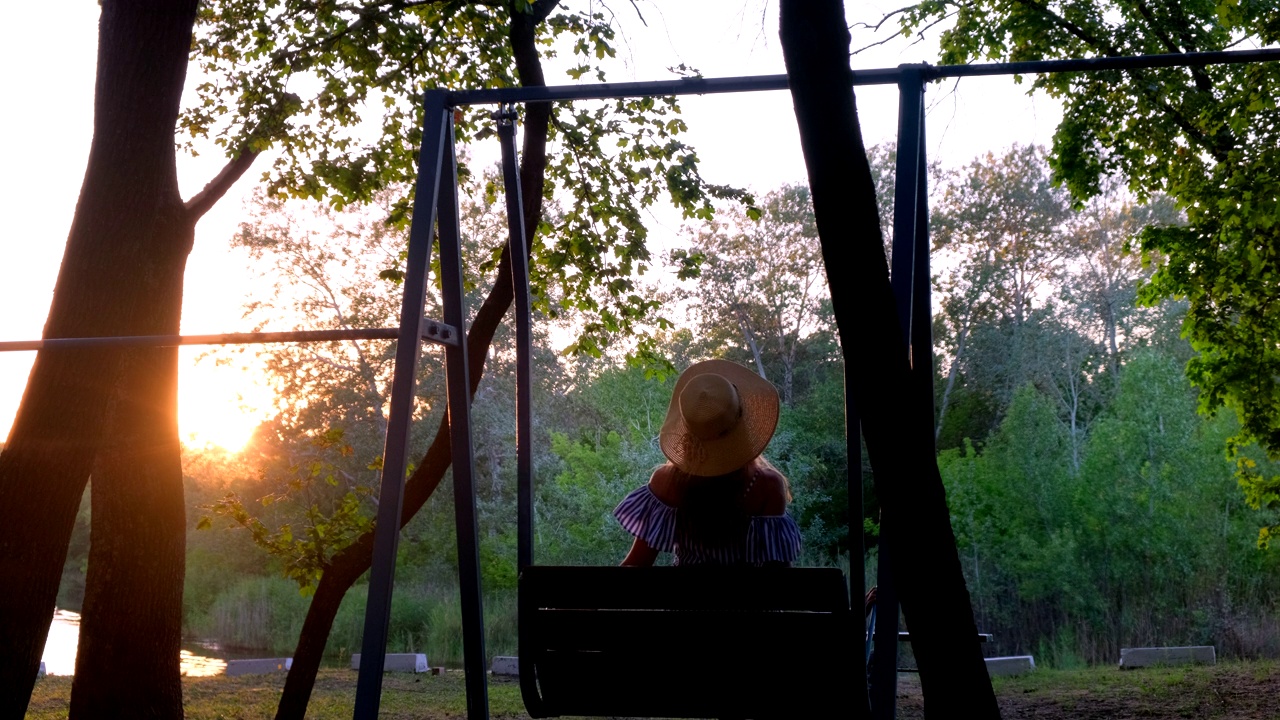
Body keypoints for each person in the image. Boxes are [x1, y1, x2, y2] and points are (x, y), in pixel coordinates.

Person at [613, 359, 802, 567]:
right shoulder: (767, 485)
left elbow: (637, 564)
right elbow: (780, 574)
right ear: (743, 424)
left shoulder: (666, 482)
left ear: (688, 429)